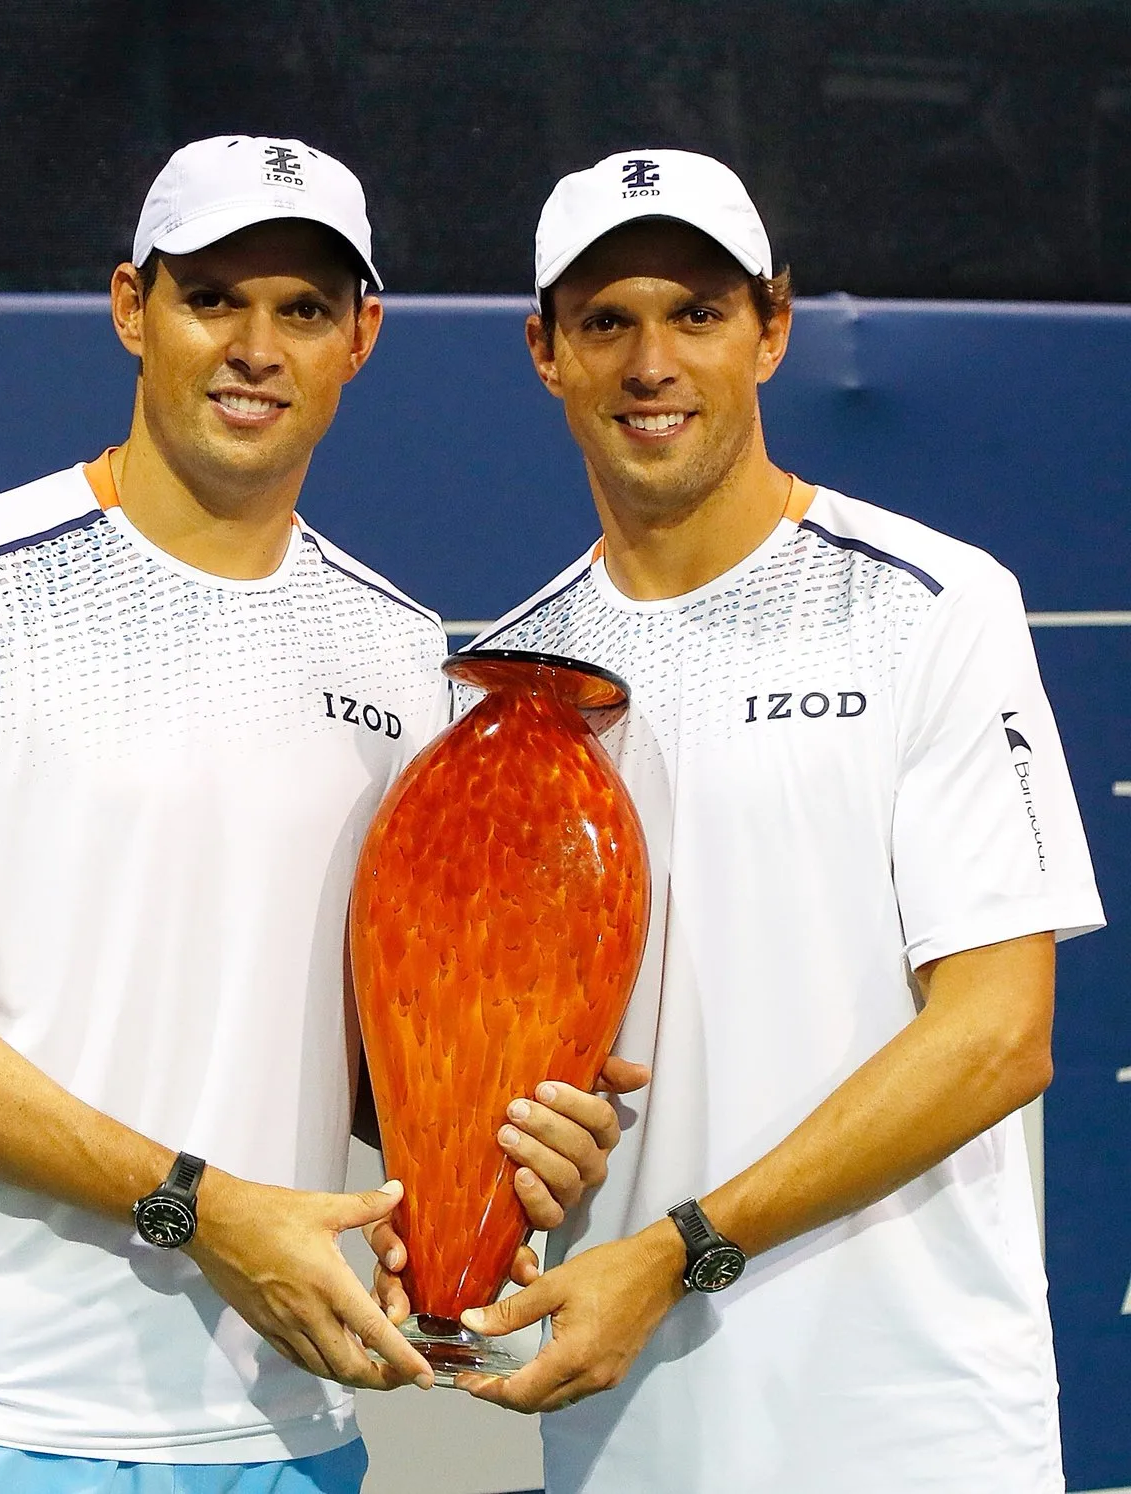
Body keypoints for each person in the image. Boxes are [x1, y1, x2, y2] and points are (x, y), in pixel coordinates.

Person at [0, 135, 641, 1494]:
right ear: (134, 307)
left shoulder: (402, 653)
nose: (257, 345)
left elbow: (380, 1072)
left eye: (302, 309)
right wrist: (199, 1204)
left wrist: (521, 1134)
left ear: (361, 338)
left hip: (281, 1430)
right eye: (214, 298)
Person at [447, 148, 1107, 1493]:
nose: (652, 363)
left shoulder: (936, 605)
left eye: (696, 314)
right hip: (625, 1435)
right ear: (544, 352)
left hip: (915, 1430)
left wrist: (681, 1246)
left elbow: (998, 1033)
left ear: (772, 328)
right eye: (606, 322)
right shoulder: (506, 685)